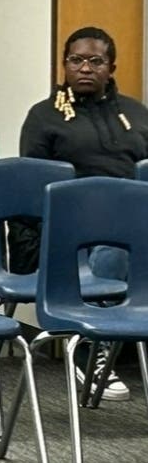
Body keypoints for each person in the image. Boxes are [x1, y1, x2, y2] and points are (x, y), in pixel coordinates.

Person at [13, 25, 148, 401]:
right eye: (76, 60)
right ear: (64, 66)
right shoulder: (44, 117)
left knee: (129, 234)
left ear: (111, 67)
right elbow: (28, 191)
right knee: (115, 245)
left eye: (95, 61)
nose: (85, 68)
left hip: (133, 228)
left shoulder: (137, 115)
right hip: (67, 237)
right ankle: (92, 350)